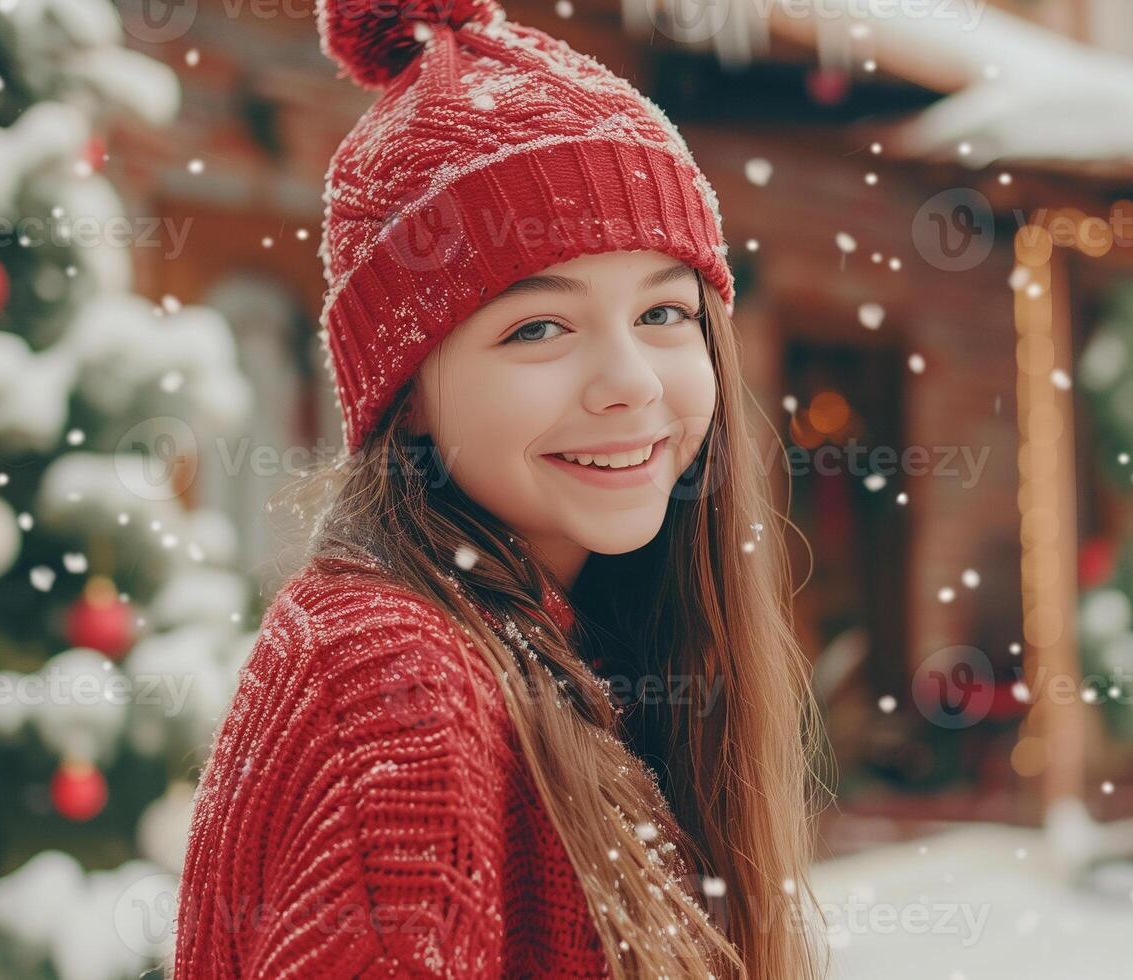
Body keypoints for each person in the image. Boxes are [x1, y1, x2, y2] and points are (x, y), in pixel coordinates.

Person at [173, 1, 829, 976]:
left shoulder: (591, 632)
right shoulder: (391, 679)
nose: (632, 382)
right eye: (538, 327)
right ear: (408, 395)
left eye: (661, 309)